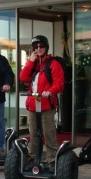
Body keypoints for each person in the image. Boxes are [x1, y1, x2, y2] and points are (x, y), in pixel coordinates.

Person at [19, 35, 64, 168]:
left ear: (46, 47)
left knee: (48, 133)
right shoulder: (33, 64)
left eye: (41, 46)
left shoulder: (53, 63)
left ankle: (52, 160)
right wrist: (30, 62)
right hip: (33, 105)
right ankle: (33, 158)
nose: (39, 49)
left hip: (46, 105)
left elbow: (59, 83)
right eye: (36, 47)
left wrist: (50, 91)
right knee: (33, 134)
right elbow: (23, 78)